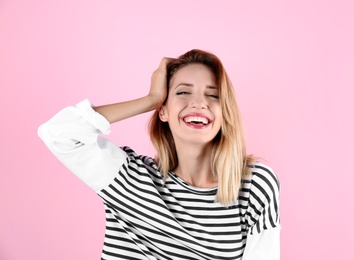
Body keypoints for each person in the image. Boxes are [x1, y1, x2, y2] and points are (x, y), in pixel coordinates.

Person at [38, 49, 280, 260]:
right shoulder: (129, 177)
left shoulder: (253, 184)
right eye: (183, 92)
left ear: (224, 113)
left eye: (213, 95)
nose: (199, 103)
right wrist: (150, 99)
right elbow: (58, 133)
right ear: (163, 110)